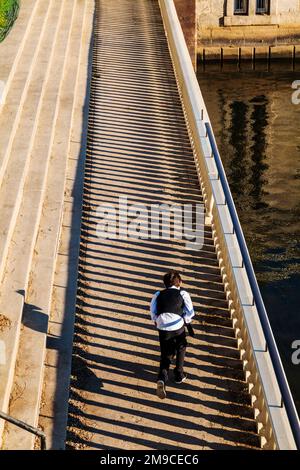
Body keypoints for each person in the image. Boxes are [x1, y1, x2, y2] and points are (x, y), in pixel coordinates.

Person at [150, 270, 195, 399]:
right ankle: (179, 374)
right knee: (181, 346)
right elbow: (190, 312)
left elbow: (152, 312)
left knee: (165, 354)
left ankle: (162, 378)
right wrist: (186, 320)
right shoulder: (183, 293)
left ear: (165, 284)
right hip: (177, 325)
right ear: (179, 282)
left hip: (162, 325)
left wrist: (156, 321)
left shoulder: (158, 294)